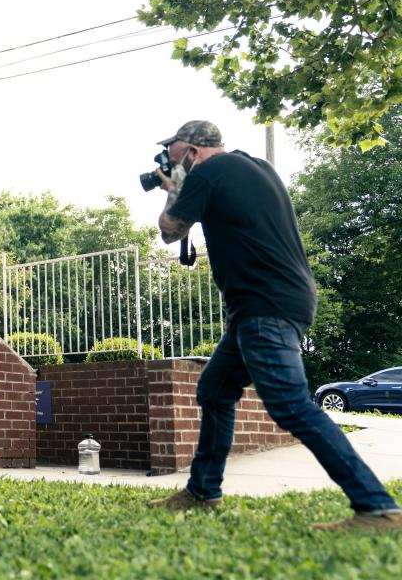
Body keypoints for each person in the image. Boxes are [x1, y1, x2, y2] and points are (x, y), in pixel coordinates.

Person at [147, 120, 401, 531]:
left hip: (264, 305)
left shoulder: (207, 171)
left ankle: (377, 507)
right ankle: (202, 492)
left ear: (192, 149)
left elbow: (170, 230)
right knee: (215, 389)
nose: (166, 158)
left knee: (290, 405)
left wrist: (174, 190)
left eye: (171, 150)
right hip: (278, 301)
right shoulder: (256, 167)